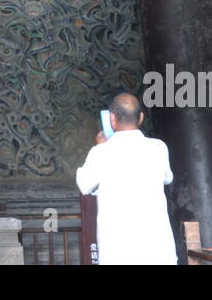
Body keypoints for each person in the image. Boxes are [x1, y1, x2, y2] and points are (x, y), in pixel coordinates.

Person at [75, 93, 176, 265]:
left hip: (118, 252)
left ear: (112, 119)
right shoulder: (159, 148)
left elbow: (84, 185)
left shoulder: (101, 152)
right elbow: (167, 178)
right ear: (141, 117)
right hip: (159, 250)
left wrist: (100, 147)